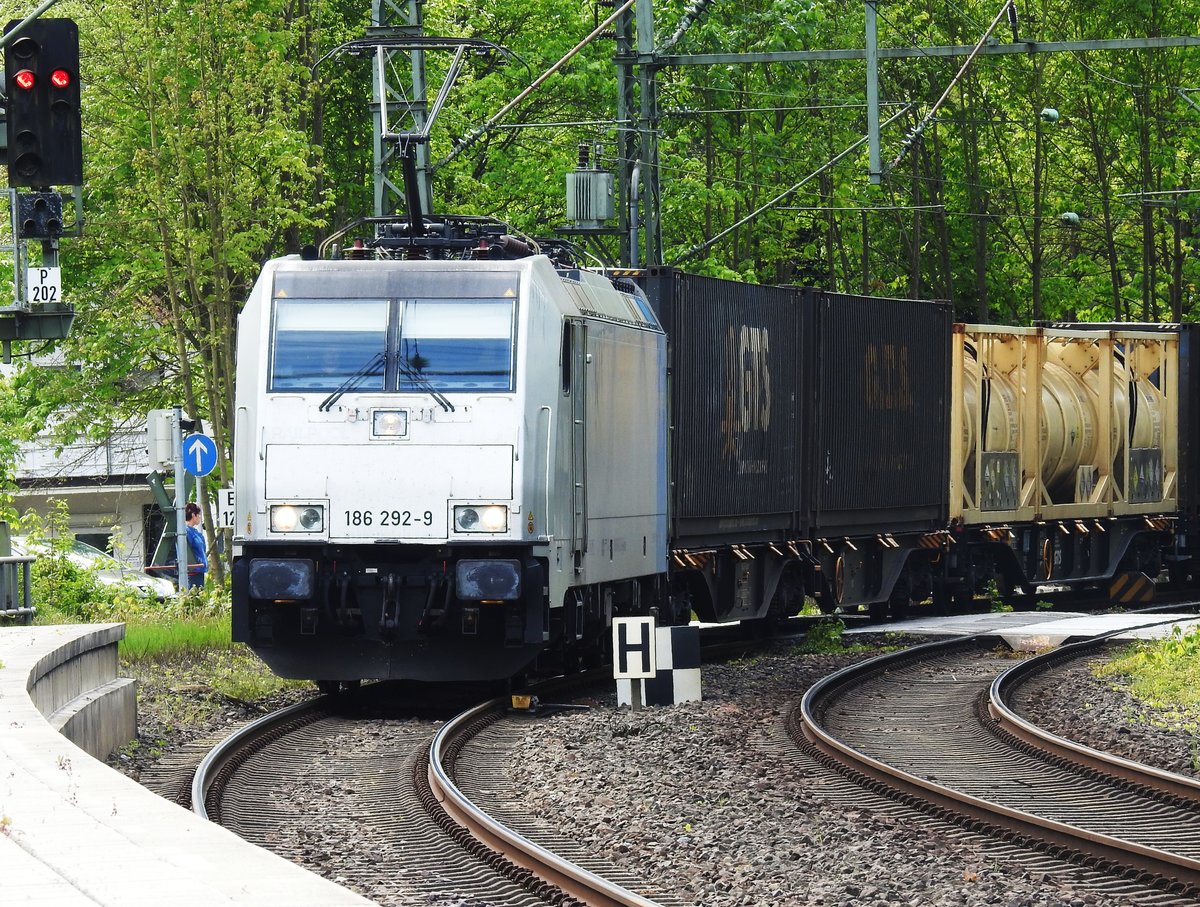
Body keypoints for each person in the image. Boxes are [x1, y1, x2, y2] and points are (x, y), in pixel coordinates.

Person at [185, 502, 208, 589]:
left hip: (199, 570)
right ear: (193, 515)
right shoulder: (186, 532)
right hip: (193, 572)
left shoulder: (195, 532)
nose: (199, 517)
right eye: (198, 514)